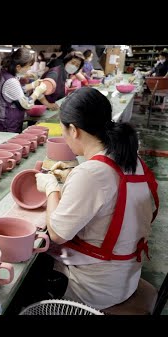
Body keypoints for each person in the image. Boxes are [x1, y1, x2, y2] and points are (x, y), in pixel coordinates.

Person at [35, 87, 159, 310]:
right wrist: (73, 176)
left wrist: (51, 187)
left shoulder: (91, 173)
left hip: (95, 288)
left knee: (31, 266)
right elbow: (108, 190)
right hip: (125, 274)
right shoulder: (130, 158)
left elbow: (57, 234)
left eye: (63, 131)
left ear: (73, 130)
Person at [0, 48, 48, 133]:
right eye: (28, 67)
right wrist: (37, 92)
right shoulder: (11, 81)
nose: (28, 70)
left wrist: (33, 85)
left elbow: (15, 92)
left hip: (5, 122)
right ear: (18, 67)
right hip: (7, 125)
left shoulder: (5, 74)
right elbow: (26, 104)